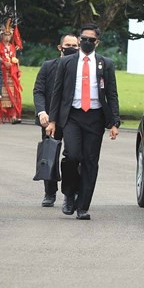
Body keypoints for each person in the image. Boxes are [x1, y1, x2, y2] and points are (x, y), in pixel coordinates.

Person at [46, 24, 120, 221]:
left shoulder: (106, 64)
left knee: (90, 161)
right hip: (72, 116)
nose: (87, 42)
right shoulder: (67, 63)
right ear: (79, 40)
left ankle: (83, 206)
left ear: (97, 42)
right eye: (84, 38)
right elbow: (57, 92)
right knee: (72, 156)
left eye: (91, 40)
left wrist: (114, 122)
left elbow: (112, 94)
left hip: (95, 117)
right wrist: (52, 120)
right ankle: (69, 194)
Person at [33, 33, 79, 206]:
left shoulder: (80, 69)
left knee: (72, 156)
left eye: (74, 45)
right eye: (68, 45)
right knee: (49, 154)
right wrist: (42, 112)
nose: (71, 48)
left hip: (72, 119)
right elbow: (38, 91)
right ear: (60, 47)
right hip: (49, 119)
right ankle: (49, 192)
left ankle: (70, 192)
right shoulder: (48, 66)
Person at [0, 16, 23, 124]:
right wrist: (3, 62)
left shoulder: (12, 47)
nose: (8, 37)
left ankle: (13, 115)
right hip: (2, 74)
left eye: (9, 34)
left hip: (12, 74)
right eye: (5, 35)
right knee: (1, 94)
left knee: (14, 94)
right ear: (1, 35)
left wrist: (17, 68)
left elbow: (14, 59)